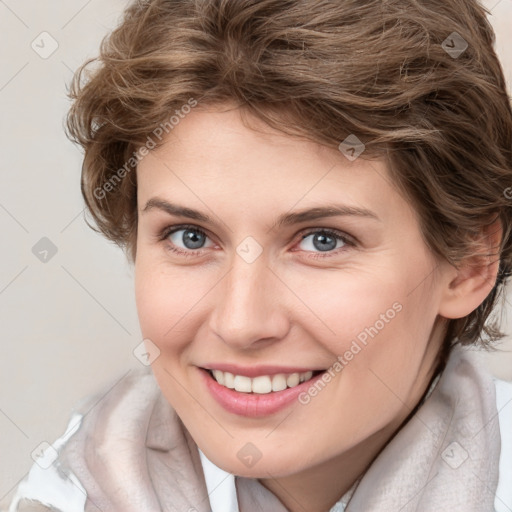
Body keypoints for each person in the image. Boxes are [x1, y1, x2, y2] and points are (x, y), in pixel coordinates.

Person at [3, 0, 512, 510]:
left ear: (469, 262)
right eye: (190, 237)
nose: (241, 324)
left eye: (322, 240)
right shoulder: (68, 489)